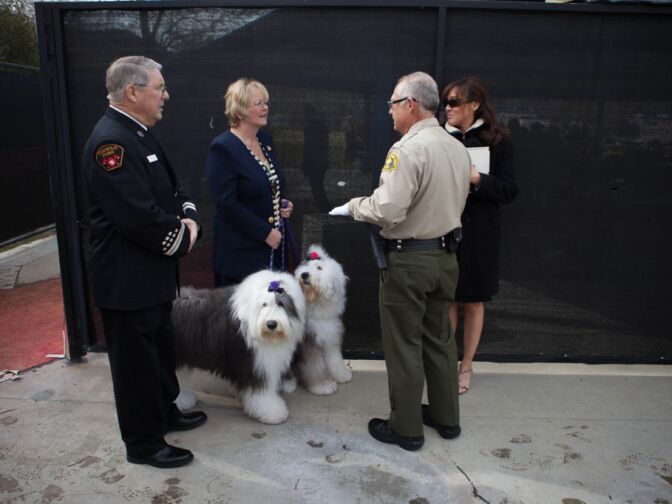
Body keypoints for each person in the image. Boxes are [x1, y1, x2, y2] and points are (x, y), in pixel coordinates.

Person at [330, 72, 470, 451]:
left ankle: (406, 428)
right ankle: (446, 417)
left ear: (410, 104)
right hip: (445, 258)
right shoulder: (456, 146)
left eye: (393, 102)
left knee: (404, 343)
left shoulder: (406, 150)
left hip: (410, 261)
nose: (389, 110)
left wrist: (354, 206)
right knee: (440, 339)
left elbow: (389, 209)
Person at [83, 56, 207, 469]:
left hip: (150, 276)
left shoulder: (138, 133)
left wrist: (187, 213)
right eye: (159, 87)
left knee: (158, 350)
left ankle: (164, 413)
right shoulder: (110, 143)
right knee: (135, 365)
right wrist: (184, 234)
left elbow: (172, 190)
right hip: (127, 279)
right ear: (133, 92)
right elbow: (136, 214)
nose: (166, 95)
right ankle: (143, 443)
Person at [441, 77, 518, 394]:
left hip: (480, 233)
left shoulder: (498, 139)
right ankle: (445, 364)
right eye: (446, 102)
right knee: (448, 298)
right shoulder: (438, 138)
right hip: (445, 227)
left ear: (475, 104)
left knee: (473, 301)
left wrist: (477, 179)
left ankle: (466, 365)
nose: (448, 108)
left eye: (455, 102)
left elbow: (510, 189)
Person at [206, 78, 294, 287]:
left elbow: (267, 182)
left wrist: (281, 203)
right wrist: (264, 232)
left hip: (271, 249)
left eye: (266, 103)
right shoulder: (223, 147)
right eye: (258, 103)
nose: (265, 108)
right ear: (240, 109)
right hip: (240, 255)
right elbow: (226, 203)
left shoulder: (265, 140)